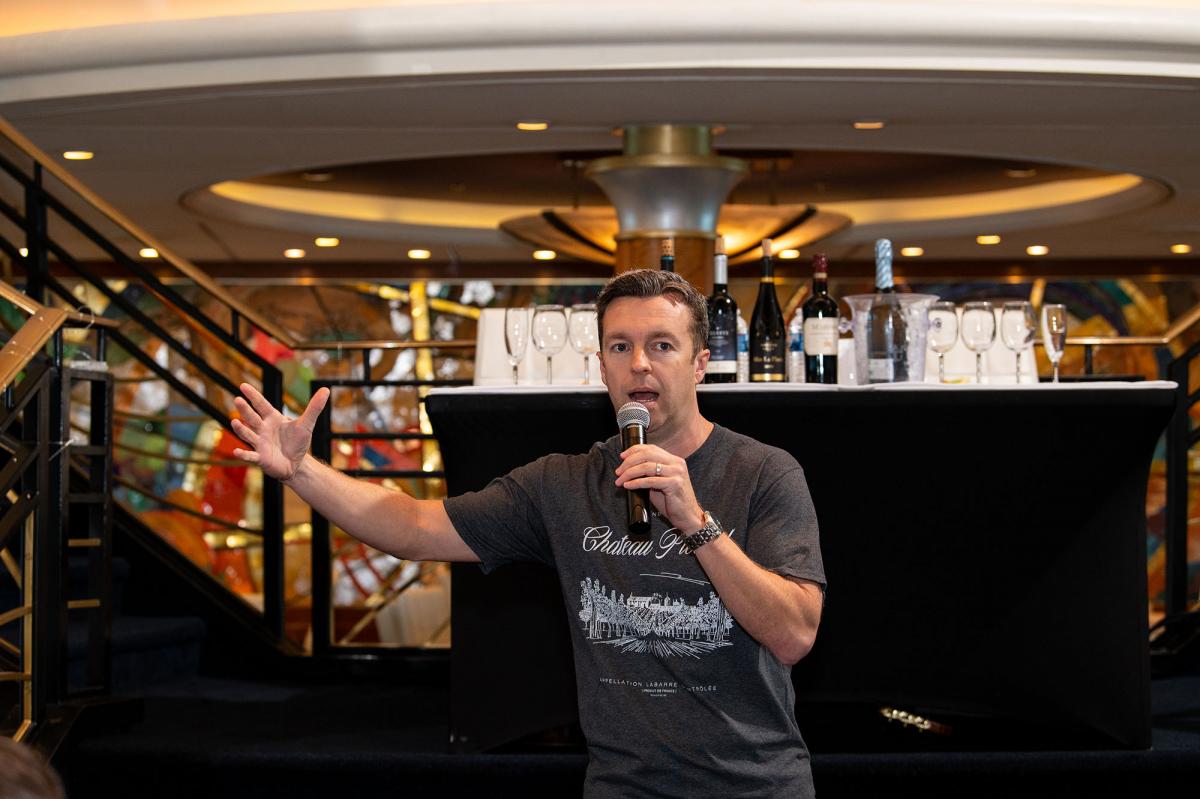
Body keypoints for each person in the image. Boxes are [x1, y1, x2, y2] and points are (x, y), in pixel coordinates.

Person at [231, 269, 825, 797]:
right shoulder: (561, 484)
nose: (639, 364)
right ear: (602, 366)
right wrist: (302, 472)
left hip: (754, 784)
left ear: (699, 363)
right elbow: (413, 527)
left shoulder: (764, 473)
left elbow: (794, 634)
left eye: (661, 345)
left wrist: (696, 523)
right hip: (623, 787)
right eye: (620, 346)